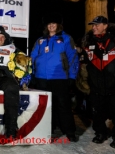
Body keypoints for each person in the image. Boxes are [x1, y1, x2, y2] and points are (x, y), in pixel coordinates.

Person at [76, 16, 115, 149]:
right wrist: (84, 81)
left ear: (105, 26)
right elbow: (83, 63)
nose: (94, 27)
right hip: (95, 86)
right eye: (93, 25)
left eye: (97, 24)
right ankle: (100, 133)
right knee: (97, 112)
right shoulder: (88, 43)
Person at [30, 13, 79, 142]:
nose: (51, 26)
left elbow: (73, 57)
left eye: (54, 23)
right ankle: (47, 129)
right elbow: (33, 57)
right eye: (49, 24)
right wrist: (32, 73)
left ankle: (69, 131)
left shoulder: (66, 39)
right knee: (45, 106)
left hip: (60, 77)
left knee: (63, 105)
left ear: (58, 25)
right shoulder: (40, 40)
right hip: (41, 78)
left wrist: (72, 76)